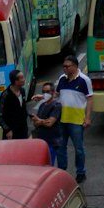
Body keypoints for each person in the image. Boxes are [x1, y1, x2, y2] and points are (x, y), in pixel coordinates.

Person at [56, 54, 93, 182]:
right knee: (61, 147)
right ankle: (62, 171)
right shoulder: (62, 79)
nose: (64, 69)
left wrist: (88, 118)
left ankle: (81, 172)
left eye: (67, 66)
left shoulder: (84, 80)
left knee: (79, 149)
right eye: (63, 66)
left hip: (77, 121)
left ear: (75, 66)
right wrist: (44, 97)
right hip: (62, 119)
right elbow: (56, 95)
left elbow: (90, 98)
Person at [30, 82, 63, 165]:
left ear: (53, 92)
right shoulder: (42, 105)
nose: (45, 94)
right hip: (41, 142)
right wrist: (38, 121)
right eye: (43, 92)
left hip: (51, 141)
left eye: (47, 91)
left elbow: (49, 123)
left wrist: (39, 120)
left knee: (49, 165)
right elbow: (36, 124)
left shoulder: (56, 106)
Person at [0, 69, 28, 140]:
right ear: (15, 81)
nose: (24, 79)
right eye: (21, 78)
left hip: (23, 131)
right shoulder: (6, 95)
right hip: (11, 133)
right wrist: (7, 130)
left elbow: (22, 110)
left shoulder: (23, 91)